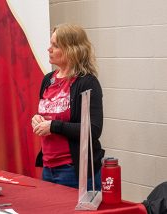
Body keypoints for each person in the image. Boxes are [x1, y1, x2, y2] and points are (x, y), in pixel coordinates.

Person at [32, 23, 105, 190]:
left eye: (55, 45)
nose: (49, 49)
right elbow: (49, 113)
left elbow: (93, 130)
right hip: (48, 167)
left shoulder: (87, 82)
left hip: (74, 170)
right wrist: (38, 119)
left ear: (72, 50)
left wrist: (54, 126)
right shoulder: (48, 79)